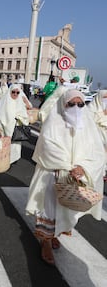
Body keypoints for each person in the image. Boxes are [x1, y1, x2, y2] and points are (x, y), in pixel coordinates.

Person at [26, 89, 105, 265]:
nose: (76, 108)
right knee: (49, 211)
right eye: (71, 104)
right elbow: (47, 148)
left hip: (75, 179)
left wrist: (83, 168)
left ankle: (56, 235)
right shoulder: (54, 122)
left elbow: (97, 153)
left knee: (67, 211)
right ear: (63, 104)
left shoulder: (88, 125)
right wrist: (69, 167)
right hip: (51, 175)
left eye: (80, 104)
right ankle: (45, 242)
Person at [0, 83, 30, 164]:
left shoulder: (20, 102)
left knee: (15, 147)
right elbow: (0, 115)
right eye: (13, 92)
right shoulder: (4, 101)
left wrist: (20, 117)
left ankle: (12, 160)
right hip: (5, 130)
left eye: (17, 92)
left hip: (16, 130)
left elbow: (25, 115)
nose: (15, 94)